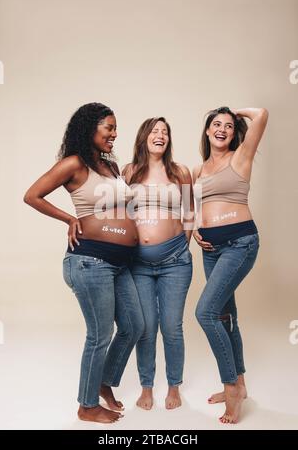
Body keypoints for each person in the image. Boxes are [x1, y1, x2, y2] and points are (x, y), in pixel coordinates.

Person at [24, 102, 144, 423]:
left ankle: (102, 382)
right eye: (109, 128)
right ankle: (87, 405)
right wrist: (68, 219)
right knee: (100, 334)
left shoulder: (110, 165)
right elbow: (32, 195)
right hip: (89, 262)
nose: (115, 134)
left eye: (116, 128)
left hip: (119, 263)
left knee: (133, 326)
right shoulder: (74, 164)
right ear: (90, 128)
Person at [193, 106, 269, 424]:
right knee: (225, 317)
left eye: (228, 125)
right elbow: (192, 207)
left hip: (240, 243)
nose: (222, 129)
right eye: (216, 124)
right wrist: (196, 229)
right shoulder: (198, 171)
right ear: (207, 131)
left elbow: (262, 114)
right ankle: (240, 384)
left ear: (233, 130)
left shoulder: (241, 157)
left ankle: (230, 387)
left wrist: (233, 112)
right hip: (211, 249)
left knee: (205, 313)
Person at [123, 117, 194, 410]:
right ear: (144, 137)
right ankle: (147, 387)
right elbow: (123, 215)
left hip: (176, 261)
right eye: (155, 131)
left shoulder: (180, 172)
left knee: (172, 327)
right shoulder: (128, 172)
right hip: (138, 263)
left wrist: (179, 245)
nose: (160, 135)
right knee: (146, 328)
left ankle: (174, 386)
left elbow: (190, 212)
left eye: (165, 132)